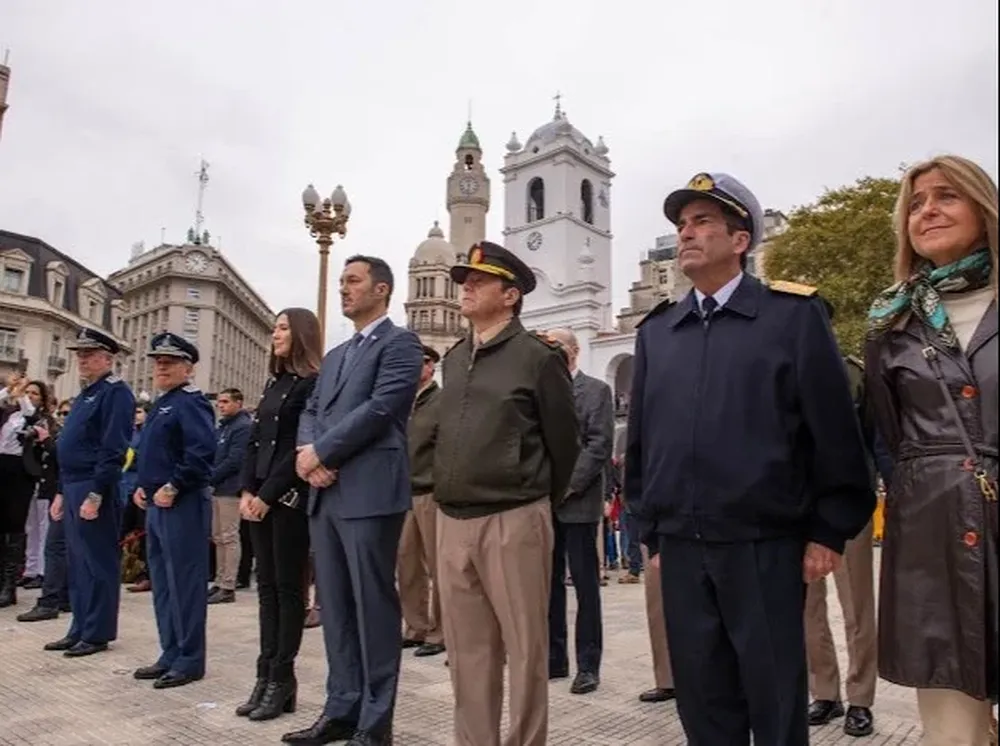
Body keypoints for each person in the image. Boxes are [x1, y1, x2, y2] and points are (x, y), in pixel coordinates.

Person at [626, 172, 875, 745]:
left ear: (741, 241)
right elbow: (642, 439)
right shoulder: (659, 332)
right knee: (704, 703)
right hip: (682, 549)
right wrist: (651, 528)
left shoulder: (791, 316)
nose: (686, 234)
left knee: (774, 699)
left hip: (763, 544)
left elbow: (834, 433)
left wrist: (829, 530)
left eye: (702, 222)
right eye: (681, 225)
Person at [865, 155, 998, 744]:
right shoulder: (891, 323)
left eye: (946, 196)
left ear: (984, 208)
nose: (928, 211)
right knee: (951, 727)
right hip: (931, 537)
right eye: (916, 204)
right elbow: (890, 437)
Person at [433, 241, 579, 746]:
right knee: (468, 654)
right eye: (463, 279)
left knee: (525, 649)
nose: (466, 286)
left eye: (479, 280)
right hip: (452, 520)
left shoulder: (538, 358)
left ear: (511, 294)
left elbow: (565, 443)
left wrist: (535, 501)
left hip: (515, 519)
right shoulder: (453, 360)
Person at [285, 255, 422, 746]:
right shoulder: (339, 353)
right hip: (326, 491)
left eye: (353, 281)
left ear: (381, 290)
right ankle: (340, 708)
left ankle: (374, 720)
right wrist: (308, 454)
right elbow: (313, 408)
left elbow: (383, 406)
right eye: (340, 281)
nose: (343, 290)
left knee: (372, 607)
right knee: (337, 607)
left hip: (369, 491)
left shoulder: (401, 343)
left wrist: (323, 450)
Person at [805, 300, 894, 738]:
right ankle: (825, 691)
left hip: (848, 505)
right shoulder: (778, 371)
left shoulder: (854, 373)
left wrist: (892, 490)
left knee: (857, 605)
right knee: (807, 607)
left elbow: (877, 439)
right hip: (798, 509)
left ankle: (861, 698)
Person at [235, 308, 321, 722]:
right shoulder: (275, 384)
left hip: (288, 501)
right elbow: (255, 441)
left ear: (302, 334)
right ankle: (265, 674)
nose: (275, 334)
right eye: (275, 327)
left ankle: (282, 678)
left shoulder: (311, 384)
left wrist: (267, 493)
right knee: (265, 589)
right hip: (261, 499)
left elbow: (295, 446)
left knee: (288, 592)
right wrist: (248, 488)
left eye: (284, 328)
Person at [132, 332, 217, 689]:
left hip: (181, 502)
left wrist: (174, 485)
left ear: (188, 367)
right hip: (156, 503)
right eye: (158, 362)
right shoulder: (162, 403)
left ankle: (189, 659)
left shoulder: (190, 403)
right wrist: (143, 484)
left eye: (169, 362)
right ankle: (170, 651)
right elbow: (152, 452)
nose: (161, 367)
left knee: (185, 583)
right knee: (164, 584)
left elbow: (200, 453)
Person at [45, 329, 134, 656]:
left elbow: (113, 447)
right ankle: (80, 626)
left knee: (97, 561)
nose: (81, 359)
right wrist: (60, 492)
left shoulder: (116, 392)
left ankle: (96, 632)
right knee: (78, 561)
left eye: (89, 353)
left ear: (108, 358)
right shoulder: (86, 394)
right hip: (71, 483)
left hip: (94, 484)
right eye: (79, 354)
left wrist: (96, 493)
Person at [545, 327, 613, 695]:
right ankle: (554, 660)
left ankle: (588, 665)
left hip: (579, 503)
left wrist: (568, 486)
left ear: (573, 351)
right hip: (545, 505)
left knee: (586, 587)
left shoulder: (596, 390)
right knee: (549, 586)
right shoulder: (542, 391)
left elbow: (599, 444)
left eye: (556, 347)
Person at [397, 344, 446, 658]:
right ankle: (415, 626)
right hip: (402, 491)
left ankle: (439, 631)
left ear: (432, 366)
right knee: (407, 562)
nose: (417, 366)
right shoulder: (401, 402)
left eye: (424, 361)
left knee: (438, 565)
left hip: (431, 491)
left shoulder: (442, 401)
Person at [0, 375, 49, 607]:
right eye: (26, 392)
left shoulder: (38, 419)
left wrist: (21, 397)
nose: (28, 395)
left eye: (34, 393)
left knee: (15, 525)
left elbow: (30, 413)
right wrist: (8, 389)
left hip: (20, 472)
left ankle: (9, 586)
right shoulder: (8, 414)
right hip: (1, 465)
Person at [208, 387, 252, 605]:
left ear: (239, 403)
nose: (221, 405)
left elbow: (235, 460)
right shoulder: (223, 428)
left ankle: (228, 585)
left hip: (230, 489)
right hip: (218, 488)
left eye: (226, 401)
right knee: (218, 538)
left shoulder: (242, 427)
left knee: (229, 537)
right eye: (220, 402)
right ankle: (218, 581)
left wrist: (210, 477)